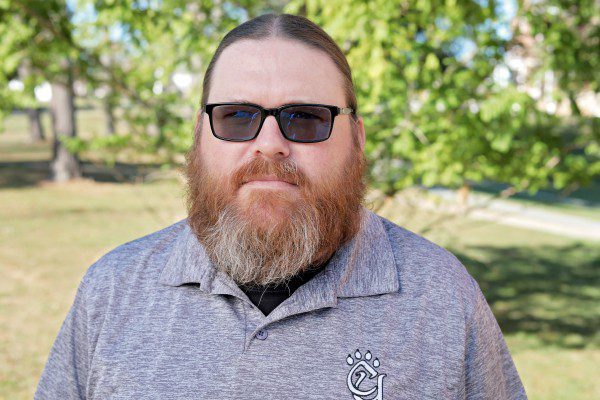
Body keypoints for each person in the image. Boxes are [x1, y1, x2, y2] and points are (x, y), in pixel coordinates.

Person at [35, 13, 527, 400]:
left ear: (356, 140)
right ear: (200, 137)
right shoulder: (112, 291)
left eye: (305, 118)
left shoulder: (440, 297)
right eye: (236, 116)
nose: (269, 144)